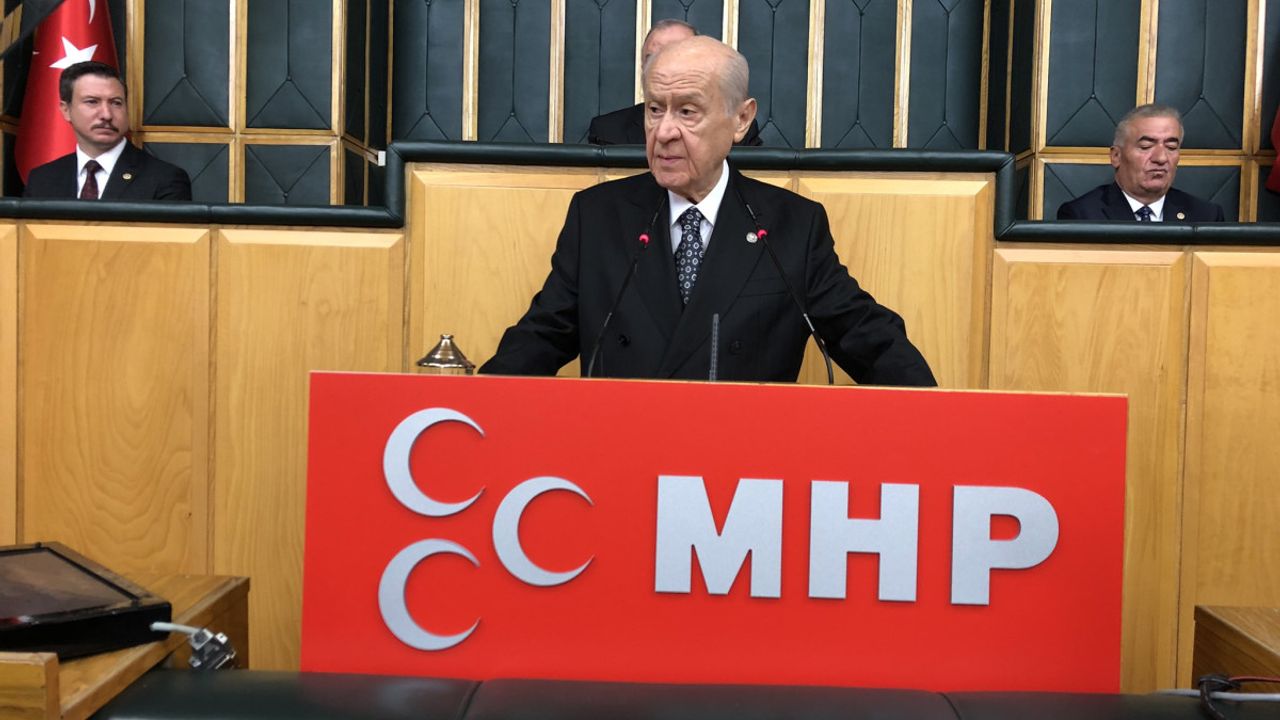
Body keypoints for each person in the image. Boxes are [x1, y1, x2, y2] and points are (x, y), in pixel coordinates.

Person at [481, 36, 934, 387]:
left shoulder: (792, 225)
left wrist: (940, 422)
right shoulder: (598, 216)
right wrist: (474, 405)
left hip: (739, 466)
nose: (664, 132)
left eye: (687, 111)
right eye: (654, 109)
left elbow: (867, 338)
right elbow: (541, 338)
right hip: (622, 455)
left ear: (741, 120)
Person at [23, 62, 191, 201]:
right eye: (92, 102)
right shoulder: (42, 179)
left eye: (116, 103)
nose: (106, 115)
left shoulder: (165, 179)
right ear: (66, 110)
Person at [587, 20, 762, 147]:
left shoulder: (732, 124)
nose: (665, 69)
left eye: (680, 59)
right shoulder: (608, 132)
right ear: (642, 68)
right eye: (652, 60)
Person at [1057, 104, 1223, 222]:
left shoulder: (1206, 216)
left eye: (1171, 147)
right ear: (1116, 156)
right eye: (1146, 147)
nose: (1161, 158)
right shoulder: (1082, 215)